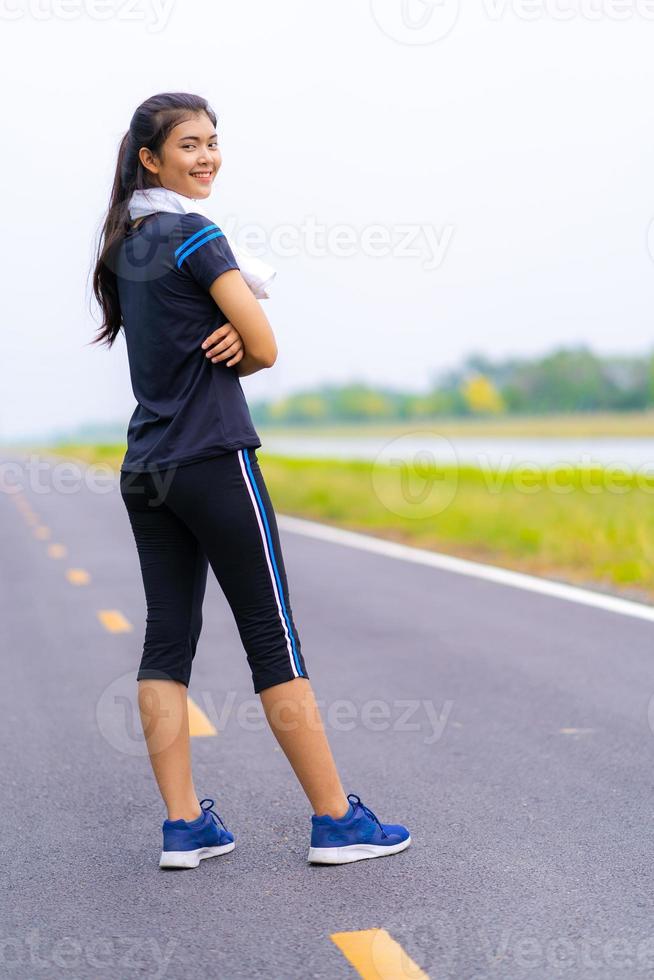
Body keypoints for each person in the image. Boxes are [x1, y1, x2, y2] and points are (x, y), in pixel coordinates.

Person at [91, 91, 411, 870]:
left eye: (213, 142)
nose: (207, 157)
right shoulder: (195, 232)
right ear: (151, 158)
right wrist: (248, 331)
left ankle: (184, 828)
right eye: (189, 145)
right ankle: (337, 822)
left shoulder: (125, 244)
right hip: (214, 458)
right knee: (273, 637)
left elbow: (191, 320)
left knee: (167, 645)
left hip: (148, 467)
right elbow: (265, 347)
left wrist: (233, 316)